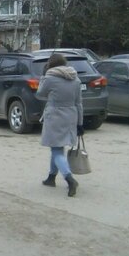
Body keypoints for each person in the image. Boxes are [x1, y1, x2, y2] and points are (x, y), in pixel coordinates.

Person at [35, 53, 84, 197]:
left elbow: (40, 94)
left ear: (50, 64)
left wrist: (43, 77)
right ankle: (51, 177)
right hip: (71, 115)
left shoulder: (50, 78)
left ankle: (69, 179)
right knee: (58, 147)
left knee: (56, 149)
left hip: (55, 115)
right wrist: (80, 123)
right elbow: (79, 103)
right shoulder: (75, 79)